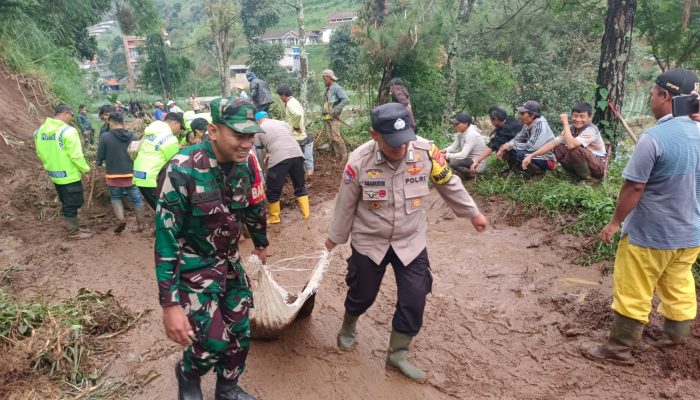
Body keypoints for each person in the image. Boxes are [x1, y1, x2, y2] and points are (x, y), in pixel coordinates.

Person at [325, 103, 488, 383]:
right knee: (362, 293)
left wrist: (472, 212)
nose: (400, 148)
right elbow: (345, 203)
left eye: (405, 140)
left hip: (410, 241)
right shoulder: (359, 160)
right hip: (370, 241)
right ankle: (349, 325)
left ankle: (397, 353)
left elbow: (449, 183)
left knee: (414, 297)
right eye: (392, 143)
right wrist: (335, 238)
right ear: (374, 135)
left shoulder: (426, 152)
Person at [582, 68, 700, 365]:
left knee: (634, 287)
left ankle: (618, 349)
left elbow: (634, 186)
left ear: (665, 96)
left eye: (652, 93)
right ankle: (674, 339)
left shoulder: (654, 138)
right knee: (678, 284)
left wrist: (614, 222)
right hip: (691, 234)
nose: (650, 99)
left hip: (651, 233)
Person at [155, 98, 267, 400]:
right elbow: (165, 239)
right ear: (214, 131)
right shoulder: (182, 170)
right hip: (193, 267)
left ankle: (227, 388)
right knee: (212, 342)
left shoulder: (244, 166)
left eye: (250, 136)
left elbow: (253, 206)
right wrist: (170, 304)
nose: (246, 144)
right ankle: (188, 373)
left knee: (240, 334)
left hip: (229, 264)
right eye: (238, 135)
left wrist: (261, 243)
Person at [34, 104, 93, 239]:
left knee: (66, 200)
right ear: (66, 113)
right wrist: (85, 170)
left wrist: (51, 165)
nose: (72, 119)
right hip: (69, 174)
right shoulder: (68, 131)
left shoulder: (40, 131)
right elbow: (76, 155)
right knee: (74, 201)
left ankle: (73, 225)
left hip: (54, 174)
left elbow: (39, 153)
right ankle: (73, 231)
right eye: (72, 116)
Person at [522, 102, 606, 181]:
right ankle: (575, 175)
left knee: (576, 150)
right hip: (584, 162)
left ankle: (589, 179)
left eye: (582, 116)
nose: (578, 119)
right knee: (558, 147)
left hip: (598, 166)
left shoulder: (591, 129)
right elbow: (552, 143)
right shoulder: (570, 128)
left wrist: (565, 123)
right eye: (575, 116)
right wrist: (531, 156)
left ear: (590, 118)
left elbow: (571, 145)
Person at [96, 112, 147, 233]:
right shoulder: (133, 136)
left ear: (110, 122)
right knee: (136, 199)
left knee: (115, 197)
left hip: (113, 175)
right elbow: (137, 154)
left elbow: (100, 156)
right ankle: (141, 225)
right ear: (122, 122)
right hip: (131, 174)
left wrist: (98, 163)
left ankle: (121, 219)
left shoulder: (105, 137)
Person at [254, 111, 309, 224]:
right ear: (267, 117)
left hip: (279, 158)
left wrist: (264, 171)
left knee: (272, 189)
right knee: (300, 186)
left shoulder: (258, 129)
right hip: (298, 154)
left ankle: (274, 218)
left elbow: (259, 153)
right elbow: (285, 138)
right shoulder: (282, 123)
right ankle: (306, 214)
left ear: (257, 120)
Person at [133, 112, 183, 210]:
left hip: (140, 175)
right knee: (164, 210)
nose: (180, 131)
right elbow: (175, 161)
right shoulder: (170, 138)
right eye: (180, 127)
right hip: (152, 178)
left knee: (156, 207)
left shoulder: (153, 132)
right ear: (175, 123)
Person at [496, 100, 556, 174]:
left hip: (547, 158)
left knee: (520, 154)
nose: (519, 116)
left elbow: (532, 147)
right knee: (507, 148)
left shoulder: (540, 125)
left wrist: (510, 145)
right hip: (535, 154)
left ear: (532, 115)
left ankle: (539, 173)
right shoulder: (527, 124)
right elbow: (517, 138)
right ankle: (513, 169)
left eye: (522, 114)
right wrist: (506, 146)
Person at [469, 106, 522, 175]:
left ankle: (516, 169)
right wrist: (495, 134)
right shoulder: (509, 119)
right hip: (517, 145)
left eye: (491, 119)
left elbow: (492, 146)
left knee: (502, 149)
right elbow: (498, 132)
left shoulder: (508, 128)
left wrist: (477, 160)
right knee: (500, 146)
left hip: (522, 149)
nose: (491, 122)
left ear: (495, 119)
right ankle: (511, 167)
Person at [277, 84, 314, 177]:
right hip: (300, 134)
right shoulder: (294, 101)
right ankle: (303, 172)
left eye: (280, 96)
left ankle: (299, 173)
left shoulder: (289, 104)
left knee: (296, 156)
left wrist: (296, 126)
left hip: (296, 135)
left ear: (283, 95)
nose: (280, 98)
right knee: (300, 155)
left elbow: (297, 115)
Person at [441, 112, 487, 179]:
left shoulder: (472, 134)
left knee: (453, 163)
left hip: (477, 163)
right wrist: (444, 151)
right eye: (454, 123)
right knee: (448, 158)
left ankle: (471, 174)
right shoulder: (460, 132)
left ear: (466, 124)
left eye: (457, 124)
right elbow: (454, 147)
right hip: (468, 159)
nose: (454, 125)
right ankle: (462, 174)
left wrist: (446, 156)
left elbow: (463, 155)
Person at [321, 69, 350, 160]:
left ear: (329, 78)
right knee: (331, 138)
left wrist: (336, 110)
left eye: (324, 79)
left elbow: (346, 99)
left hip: (334, 118)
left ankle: (344, 157)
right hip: (327, 117)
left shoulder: (336, 88)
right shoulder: (328, 89)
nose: (324, 81)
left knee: (336, 138)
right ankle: (337, 156)